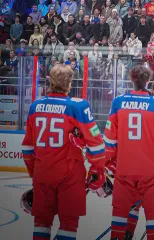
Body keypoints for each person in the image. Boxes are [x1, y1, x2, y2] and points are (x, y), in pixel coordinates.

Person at [21, 65, 106, 240]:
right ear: (70, 83)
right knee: (69, 223)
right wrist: (97, 171)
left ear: (50, 82)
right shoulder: (78, 106)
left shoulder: (35, 106)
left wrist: (34, 173)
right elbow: (96, 144)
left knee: (41, 222)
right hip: (70, 175)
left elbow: (27, 148)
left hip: (43, 173)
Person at [103, 66, 154, 240]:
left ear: (132, 80)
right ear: (148, 81)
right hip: (151, 172)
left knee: (120, 213)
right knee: (153, 215)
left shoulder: (118, 102)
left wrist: (108, 164)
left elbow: (110, 140)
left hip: (124, 169)